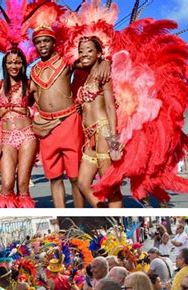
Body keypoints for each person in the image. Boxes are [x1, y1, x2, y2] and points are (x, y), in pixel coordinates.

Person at [29, 25, 110, 208]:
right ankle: (63, 219)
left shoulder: (66, 61)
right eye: (38, 42)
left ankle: (81, 216)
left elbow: (89, 63)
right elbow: (29, 96)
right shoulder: (34, 72)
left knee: (75, 177)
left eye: (46, 41)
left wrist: (104, 61)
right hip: (46, 127)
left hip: (69, 122)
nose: (42, 45)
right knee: (55, 178)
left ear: (53, 42)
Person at [76, 37, 122, 207]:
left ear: (99, 53)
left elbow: (110, 107)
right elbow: (72, 63)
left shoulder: (104, 75)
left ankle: (116, 223)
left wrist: (114, 142)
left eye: (89, 50)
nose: (84, 54)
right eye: (81, 51)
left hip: (103, 132)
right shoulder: (88, 76)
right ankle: (103, 212)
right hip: (90, 138)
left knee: (111, 186)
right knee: (82, 183)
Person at [0, 48, 37, 208]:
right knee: (6, 184)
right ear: (5, 65)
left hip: (27, 135)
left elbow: (42, 105)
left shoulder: (30, 85)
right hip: (6, 138)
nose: (14, 66)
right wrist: (2, 111)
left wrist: (31, 111)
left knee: (23, 185)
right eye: (10, 62)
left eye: (18, 62)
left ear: (23, 64)